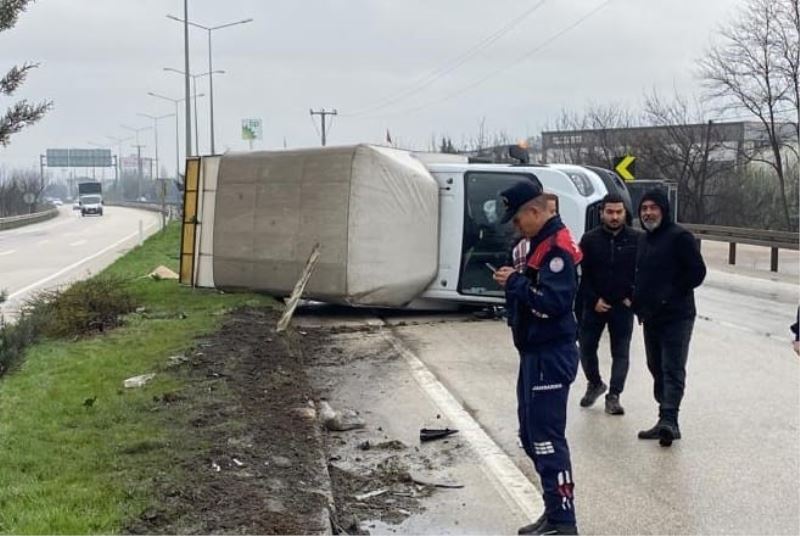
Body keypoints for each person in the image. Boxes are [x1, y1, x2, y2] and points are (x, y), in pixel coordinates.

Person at [493, 181, 582, 535]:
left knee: (546, 438)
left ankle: (564, 521)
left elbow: (552, 301)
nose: (516, 228)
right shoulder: (536, 244)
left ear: (534, 211)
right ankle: (553, 510)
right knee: (530, 436)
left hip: (551, 352)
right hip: (533, 351)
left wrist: (515, 283)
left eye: (517, 220)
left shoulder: (556, 248)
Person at [632, 189, 706, 447]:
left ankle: (670, 420)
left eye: (653, 208)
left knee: (672, 368)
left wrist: (670, 293)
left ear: (663, 210)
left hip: (677, 316)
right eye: (644, 208)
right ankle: (663, 415)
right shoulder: (644, 240)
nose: (648, 213)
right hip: (650, 316)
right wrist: (636, 300)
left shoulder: (679, 237)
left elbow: (697, 272)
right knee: (655, 367)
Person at [577, 193, 641, 415]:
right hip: (595, 305)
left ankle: (614, 396)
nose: (614, 217)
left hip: (623, 306)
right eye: (610, 212)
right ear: (602, 213)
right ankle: (594, 383)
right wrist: (593, 299)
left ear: (625, 213)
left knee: (620, 352)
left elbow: (643, 273)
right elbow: (582, 275)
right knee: (585, 347)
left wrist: (632, 297)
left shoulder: (637, 239)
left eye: (619, 212)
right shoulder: (589, 239)